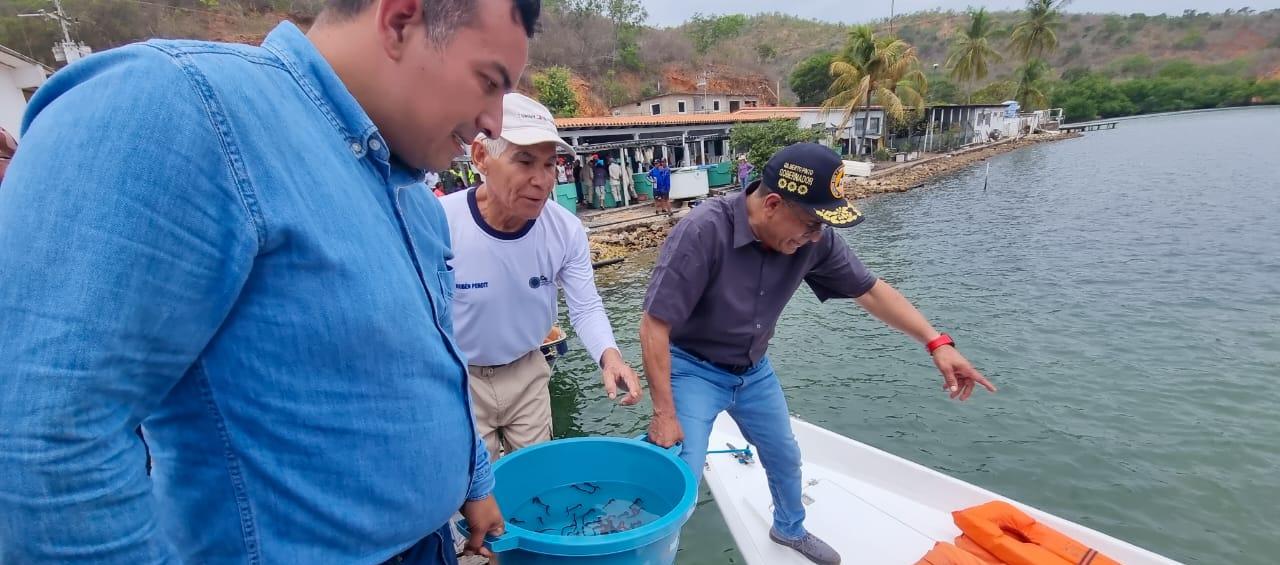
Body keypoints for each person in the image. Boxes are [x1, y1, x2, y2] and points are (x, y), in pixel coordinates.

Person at [0, 0, 542, 563]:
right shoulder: (180, 105)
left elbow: (432, 361)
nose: (494, 123)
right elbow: (43, 446)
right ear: (400, 20)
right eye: (488, 82)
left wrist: (472, 482)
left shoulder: (414, 200)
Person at [639, 143, 996, 565]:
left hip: (753, 371)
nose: (816, 237)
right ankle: (641, 550)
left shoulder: (814, 239)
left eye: (821, 228)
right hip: (693, 368)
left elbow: (871, 291)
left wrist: (937, 343)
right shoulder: (702, 231)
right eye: (811, 225)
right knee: (683, 472)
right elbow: (654, 325)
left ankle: (789, 528)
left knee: (785, 454)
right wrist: (665, 412)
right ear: (772, 204)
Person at [441, 93, 642, 462]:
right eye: (524, 161)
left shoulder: (565, 230)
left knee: (537, 480)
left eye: (550, 164)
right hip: (457, 378)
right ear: (481, 157)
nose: (542, 180)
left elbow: (585, 307)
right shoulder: (440, 223)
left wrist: (610, 357)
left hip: (528, 370)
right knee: (470, 491)